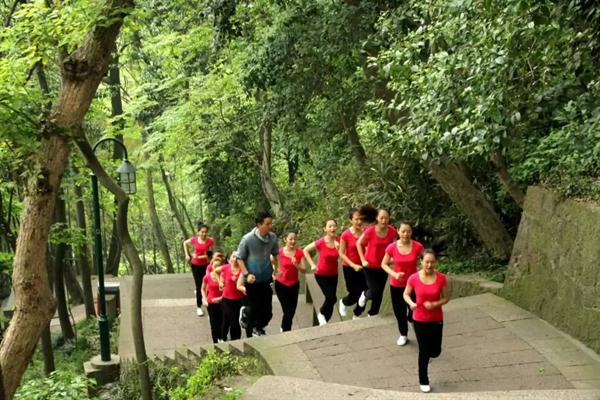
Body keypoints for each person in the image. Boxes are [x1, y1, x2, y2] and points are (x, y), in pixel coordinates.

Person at [403, 249, 449, 393]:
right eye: (427, 262)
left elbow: (446, 298)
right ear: (421, 261)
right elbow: (406, 294)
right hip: (419, 319)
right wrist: (411, 303)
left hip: (436, 318)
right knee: (423, 351)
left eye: (432, 262)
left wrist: (435, 304)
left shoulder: (441, 278)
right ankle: (423, 380)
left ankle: (430, 354)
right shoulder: (413, 278)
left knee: (435, 351)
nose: (429, 265)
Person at [236, 211, 279, 337]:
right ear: (259, 225)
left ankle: (258, 326)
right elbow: (239, 258)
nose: (270, 226)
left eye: (271, 223)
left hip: (266, 278)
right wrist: (246, 274)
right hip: (252, 280)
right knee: (254, 308)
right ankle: (248, 319)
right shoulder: (247, 239)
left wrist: (277, 268)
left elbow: (276, 254)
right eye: (267, 224)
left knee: (268, 312)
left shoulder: (272, 237)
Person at [381, 222, 424, 346]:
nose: (406, 234)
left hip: (414, 285)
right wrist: (394, 274)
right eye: (403, 231)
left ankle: (411, 320)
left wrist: (422, 273)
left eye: (408, 231)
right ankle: (403, 334)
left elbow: (424, 261)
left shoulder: (418, 246)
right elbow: (383, 264)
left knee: (414, 309)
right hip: (397, 285)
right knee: (399, 312)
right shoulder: (392, 247)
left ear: (411, 232)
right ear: (398, 231)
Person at [356, 208, 397, 316]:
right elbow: (359, 243)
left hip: (383, 266)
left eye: (386, 218)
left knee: (379, 293)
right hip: (369, 266)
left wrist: (394, 259)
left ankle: (372, 314)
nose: (384, 220)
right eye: (381, 218)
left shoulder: (392, 231)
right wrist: (363, 260)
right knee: (374, 291)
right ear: (377, 218)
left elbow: (394, 248)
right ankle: (365, 294)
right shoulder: (370, 231)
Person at [303, 219, 340, 326]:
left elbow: (345, 254)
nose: (332, 228)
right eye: (330, 226)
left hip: (334, 274)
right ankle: (322, 314)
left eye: (334, 226)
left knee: (332, 299)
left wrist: (339, 248)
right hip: (321, 274)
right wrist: (312, 264)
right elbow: (305, 250)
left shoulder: (339, 241)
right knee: (331, 298)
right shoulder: (321, 242)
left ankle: (324, 323)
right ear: (325, 229)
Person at [274, 231, 306, 332]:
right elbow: (271, 261)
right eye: (290, 239)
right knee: (287, 310)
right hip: (281, 285)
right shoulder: (279, 253)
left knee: (291, 310)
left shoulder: (299, 252)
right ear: (285, 240)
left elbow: (304, 269)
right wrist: (274, 272)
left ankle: (284, 327)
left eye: (294, 239)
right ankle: (286, 330)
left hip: (294, 285)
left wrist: (296, 264)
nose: (293, 241)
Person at [338, 208, 366, 319]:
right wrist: (353, 265)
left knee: (365, 293)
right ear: (351, 220)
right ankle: (344, 302)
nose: (359, 221)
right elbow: (341, 253)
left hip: (364, 266)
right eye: (356, 219)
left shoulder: (366, 232)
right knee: (354, 294)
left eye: (361, 219)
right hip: (349, 267)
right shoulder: (345, 235)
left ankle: (357, 314)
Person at [183, 223, 214, 316]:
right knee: (199, 285)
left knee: (207, 284)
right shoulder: (194, 240)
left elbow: (210, 254)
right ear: (198, 232)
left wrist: (200, 257)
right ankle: (199, 307)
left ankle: (209, 304)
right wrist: (187, 255)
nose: (204, 234)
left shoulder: (210, 241)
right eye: (202, 232)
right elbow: (185, 243)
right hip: (195, 265)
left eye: (205, 232)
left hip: (206, 265)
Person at [220, 253, 245, 341]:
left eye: (237, 256)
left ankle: (235, 339)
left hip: (239, 299)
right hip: (227, 299)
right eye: (234, 256)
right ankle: (223, 338)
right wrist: (220, 282)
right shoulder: (225, 267)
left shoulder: (243, 269)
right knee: (228, 320)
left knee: (235, 320)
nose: (235, 258)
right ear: (229, 259)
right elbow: (215, 271)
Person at [201, 256, 224, 343]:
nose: (217, 268)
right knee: (213, 323)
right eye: (215, 266)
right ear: (212, 266)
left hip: (222, 302)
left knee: (222, 321)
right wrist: (204, 299)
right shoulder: (207, 277)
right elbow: (202, 289)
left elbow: (227, 290)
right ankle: (215, 341)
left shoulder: (223, 277)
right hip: (211, 303)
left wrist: (220, 298)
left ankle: (222, 338)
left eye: (219, 266)